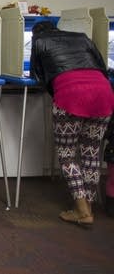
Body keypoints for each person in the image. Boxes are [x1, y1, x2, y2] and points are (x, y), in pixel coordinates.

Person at [30, 21, 114, 227]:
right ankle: (89, 205)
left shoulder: (39, 41)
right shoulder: (82, 37)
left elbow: (36, 75)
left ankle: (81, 210)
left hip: (71, 95)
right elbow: (102, 67)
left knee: (67, 155)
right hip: (103, 93)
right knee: (91, 153)